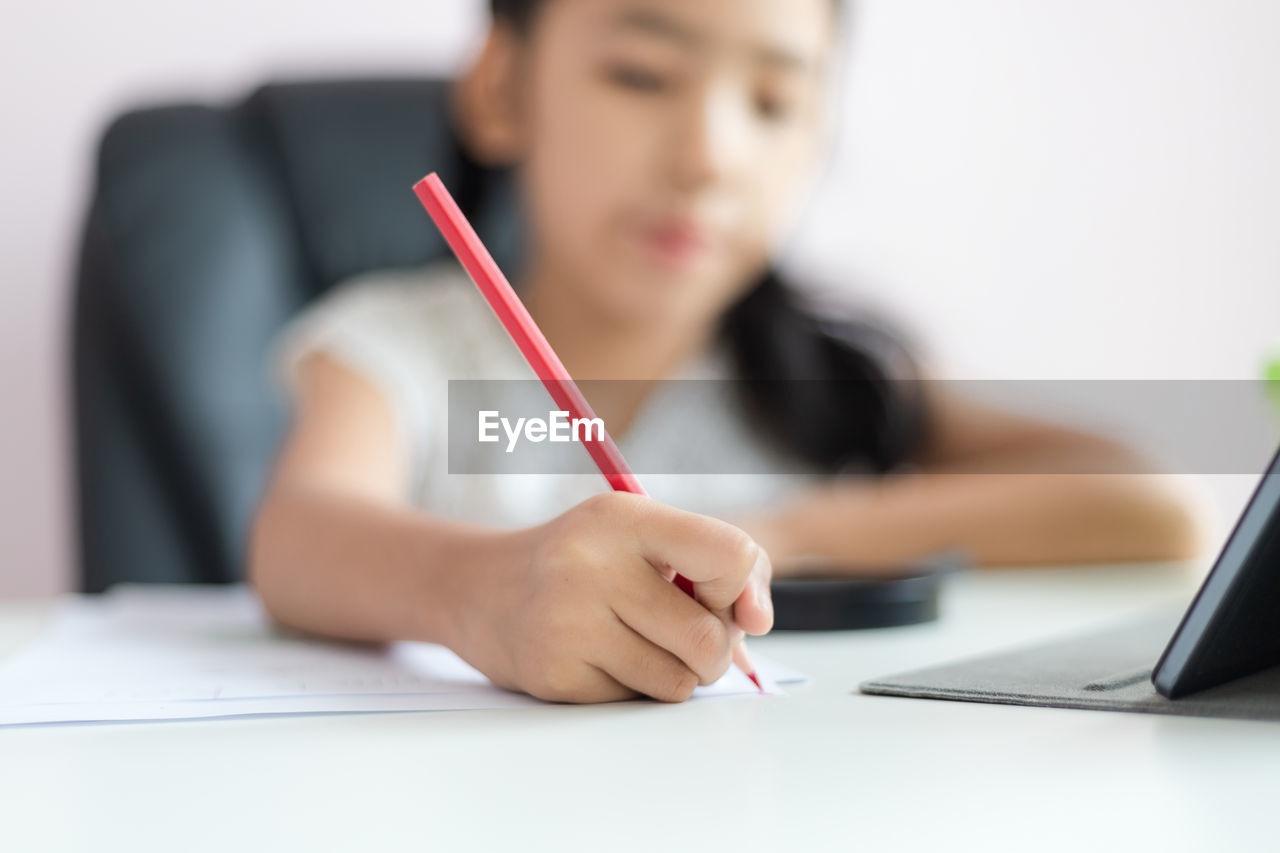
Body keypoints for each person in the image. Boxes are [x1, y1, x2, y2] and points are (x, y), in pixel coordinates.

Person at [249, 0, 1207, 704]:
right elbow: (299, 535)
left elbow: (1150, 506)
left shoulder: (823, 376)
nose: (709, 155)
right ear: (504, 86)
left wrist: (788, 532)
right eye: (643, 75)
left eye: (772, 101)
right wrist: (485, 597)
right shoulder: (405, 344)